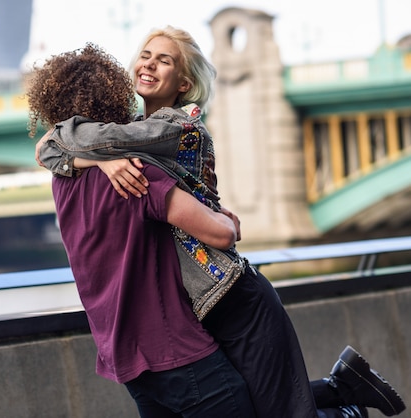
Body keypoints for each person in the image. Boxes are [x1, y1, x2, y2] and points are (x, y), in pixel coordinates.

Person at [29, 29, 406, 418]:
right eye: (145, 55)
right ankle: (339, 388)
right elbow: (52, 149)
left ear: (184, 83)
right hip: (200, 303)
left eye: (165, 60)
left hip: (231, 292)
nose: (150, 64)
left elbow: (60, 145)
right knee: (267, 405)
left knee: (287, 413)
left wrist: (81, 148)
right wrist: (97, 159)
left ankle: (346, 410)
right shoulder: (123, 147)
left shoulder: (173, 128)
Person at [28, 43, 257, 417]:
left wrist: (98, 160)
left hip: (126, 360)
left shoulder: (63, 176)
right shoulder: (137, 175)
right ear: (116, 97)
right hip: (177, 351)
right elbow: (219, 236)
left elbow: (47, 149)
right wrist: (225, 218)